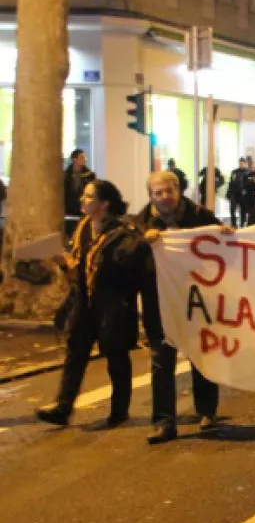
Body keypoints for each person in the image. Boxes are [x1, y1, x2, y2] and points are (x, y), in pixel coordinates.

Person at [35, 180, 150, 428]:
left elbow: (122, 271)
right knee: (75, 354)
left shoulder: (123, 234)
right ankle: (63, 407)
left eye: (88, 197)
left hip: (112, 305)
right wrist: (65, 263)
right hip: (83, 302)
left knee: (116, 356)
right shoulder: (83, 227)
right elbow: (77, 266)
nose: (82, 200)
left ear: (104, 204)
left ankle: (119, 410)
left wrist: (80, 266)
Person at [136, 171, 228, 444]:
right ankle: (164, 422)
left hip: (196, 300)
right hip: (159, 304)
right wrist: (144, 244)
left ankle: (207, 412)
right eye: (158, 193)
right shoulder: (140, 223)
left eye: (168, 191)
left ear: (178, 191)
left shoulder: (200, 216)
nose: (164, 197)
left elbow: (223, 249)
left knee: (201, 357)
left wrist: (225, 235)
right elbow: (128, 258)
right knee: (161, 363)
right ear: (151, 196)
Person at [63, 149, 95, 237]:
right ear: (74, 159)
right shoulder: (66, 176)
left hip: (84, 212)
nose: (85, 159)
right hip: (69, 214)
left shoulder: (90, 175)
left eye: (84, 157)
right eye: (82, 157)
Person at [227, 157, 255, 228]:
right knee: (232, 209)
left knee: (243, 211)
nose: (241, 164)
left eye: (243, 163)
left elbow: (249, 183)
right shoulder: (234, 172)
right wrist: (229, 192)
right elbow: (231, 183)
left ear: (246, 164)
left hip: (243, 194)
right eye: (240, 163)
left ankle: (242, 224)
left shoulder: (249, 172)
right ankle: (233, 224)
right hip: (234, 193)